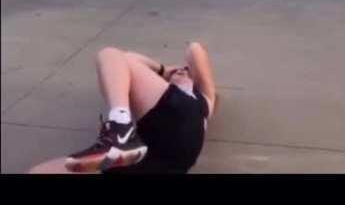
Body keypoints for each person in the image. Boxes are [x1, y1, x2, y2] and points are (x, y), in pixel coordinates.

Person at [29, 41, 216, 175]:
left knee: (109, 54)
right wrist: (162, 69)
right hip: (154, 163)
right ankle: (121, 134)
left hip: (179, 119)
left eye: (186, 70)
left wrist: (169, 72)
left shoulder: (203, 99)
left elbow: (195, 49)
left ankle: (120, 129)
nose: (182, 70)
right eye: (178, 70)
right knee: (38, 172)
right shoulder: (164, 91)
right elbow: (126, 60)